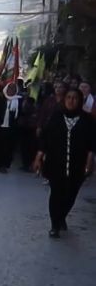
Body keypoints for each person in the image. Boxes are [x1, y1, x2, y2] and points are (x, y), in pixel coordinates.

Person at [34, 88, 95, 238]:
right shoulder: (56, 117)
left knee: (70, 195)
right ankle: (55, 224)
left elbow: (92, 143)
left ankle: (62, 216)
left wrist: (89, 161)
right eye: (68, 97)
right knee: (56, 193)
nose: (71, 100)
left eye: (74, 98)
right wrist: (38, 157)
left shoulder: (87, 120)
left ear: (79, 100)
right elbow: (46, 138)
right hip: (56, 162)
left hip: (77, 164)